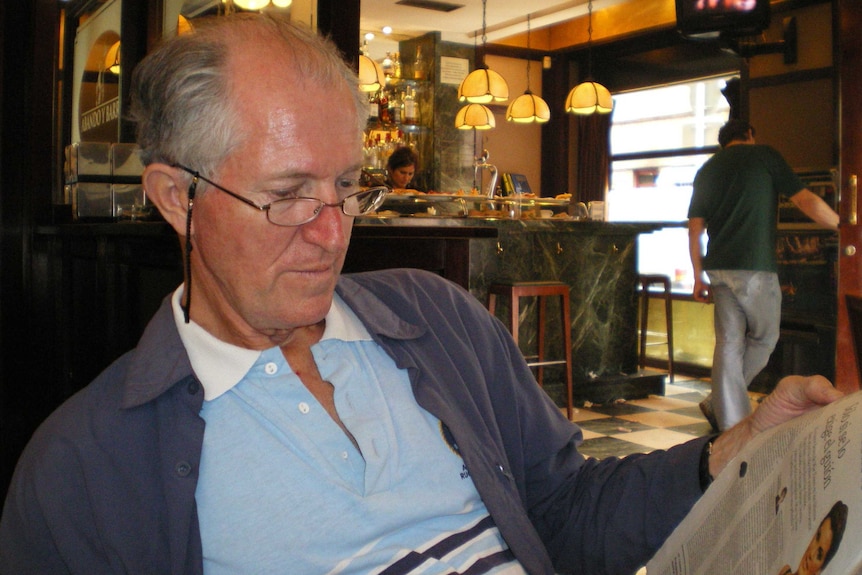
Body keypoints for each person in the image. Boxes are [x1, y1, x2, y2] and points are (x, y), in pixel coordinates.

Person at [0, 14, 844, 575]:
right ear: (176, 198)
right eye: (287, 193)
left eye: (346, 188)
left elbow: (563, 507)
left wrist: (725, 454)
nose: (333, 233)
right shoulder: (83, 472)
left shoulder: (433, 317)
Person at [688, 119, 839, 432]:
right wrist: (844, 226)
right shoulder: (765, 156)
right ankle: (726, 409)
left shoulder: (708, 169)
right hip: (754, 265)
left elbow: (695, 228)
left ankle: (726, 413)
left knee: (729, 344)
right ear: (750, 135)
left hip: (717, 267)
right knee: (765, 337)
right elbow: (805, 200)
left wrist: (697, 275)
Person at [776, 501, 848, 575]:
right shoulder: (785, 571)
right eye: (817, 537)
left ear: (820, 569)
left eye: (819, 555)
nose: (811, 554)